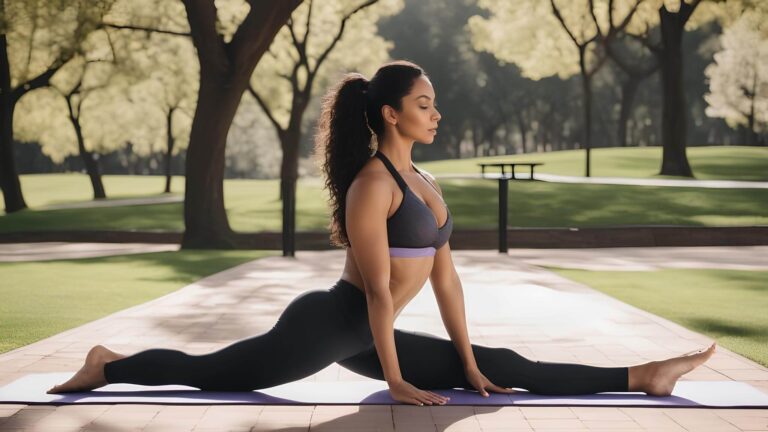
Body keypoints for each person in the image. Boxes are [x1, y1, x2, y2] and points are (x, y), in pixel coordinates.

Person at [48, 60, 716, 406]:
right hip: (329, 325)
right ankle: (110, 363)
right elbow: (375, 294)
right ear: (392, 114)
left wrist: (469, 361)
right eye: (424, 104)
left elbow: (447, 278)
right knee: (219, 373)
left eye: (434, 102)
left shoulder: (425, 182)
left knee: (503, 368)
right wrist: (396, 382)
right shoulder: (374, 185)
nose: (437, 112)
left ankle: (645, 375)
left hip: (371, 334)